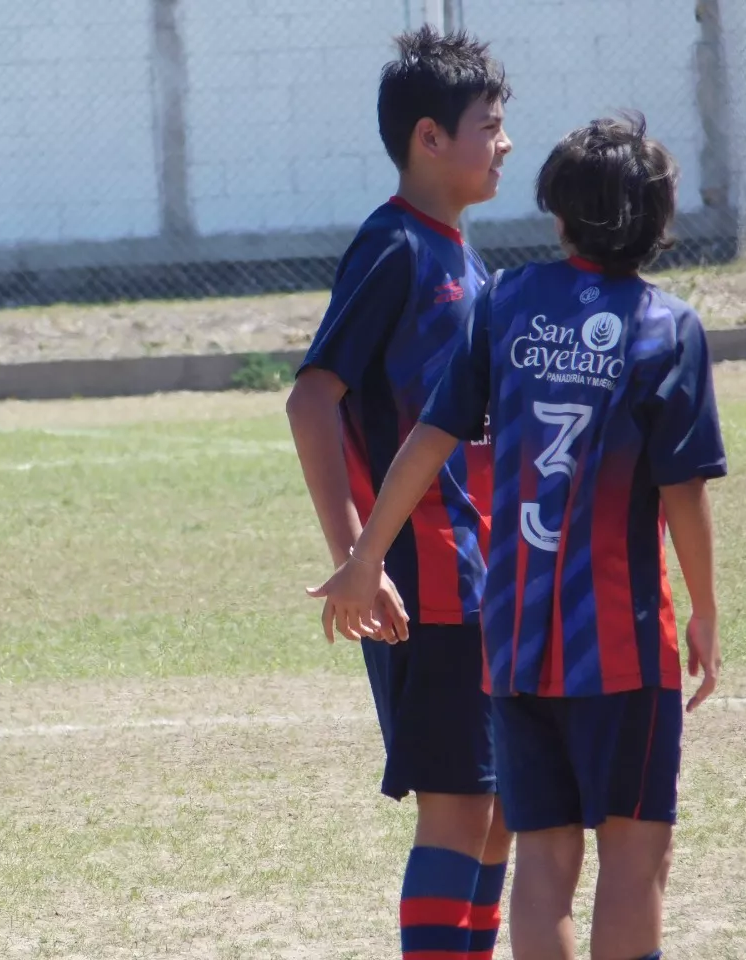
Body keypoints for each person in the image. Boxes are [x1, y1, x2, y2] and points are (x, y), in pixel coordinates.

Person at [309, 112, 727, 960]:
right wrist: (708, 611)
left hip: (515, 643)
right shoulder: (667, 327)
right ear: (659, 223)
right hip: (623, 643)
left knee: (543, 853)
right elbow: (682, 491)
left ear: (560, 214)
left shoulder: (504, 304)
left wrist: (362, 554)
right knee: (636, 855)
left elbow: (429, 440)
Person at [285, 25, 514, 959]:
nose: (504, 142)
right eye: (490, 125)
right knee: (459, 807)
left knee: (499, 807)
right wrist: (355, 558)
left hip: (486, 572)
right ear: (430, 137)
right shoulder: (394, 248)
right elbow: (312, 399)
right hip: (424, 576)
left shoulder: (466, 259)